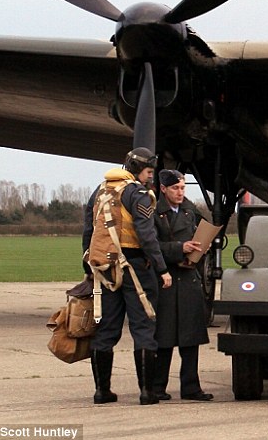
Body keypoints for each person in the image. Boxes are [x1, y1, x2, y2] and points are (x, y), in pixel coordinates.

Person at [82, 147, 172, 405]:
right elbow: (147, 235)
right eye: (148, 171)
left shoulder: (99, 192)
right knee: (144, 328)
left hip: (105, 269)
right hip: (136, 268)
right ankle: (147, 392)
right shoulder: (139, 194)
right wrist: (162, 268)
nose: (150, 177)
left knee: (106, 330)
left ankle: (102, 391)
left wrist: (89, 268)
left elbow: (88, 232)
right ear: (138, 170)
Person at [152, 169, 214, 401]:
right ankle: (158, 386)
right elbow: (151, 245)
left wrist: (202, 248)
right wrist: (180, 248)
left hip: (189, 279)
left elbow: (202, 231)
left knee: (191, 337)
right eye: (175, 188)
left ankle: (191, 387)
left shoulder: (190, 210)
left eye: (182, 188)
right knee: (164, 338)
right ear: (164, 189)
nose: (180, 193)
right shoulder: (154, 213)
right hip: (166, 278)